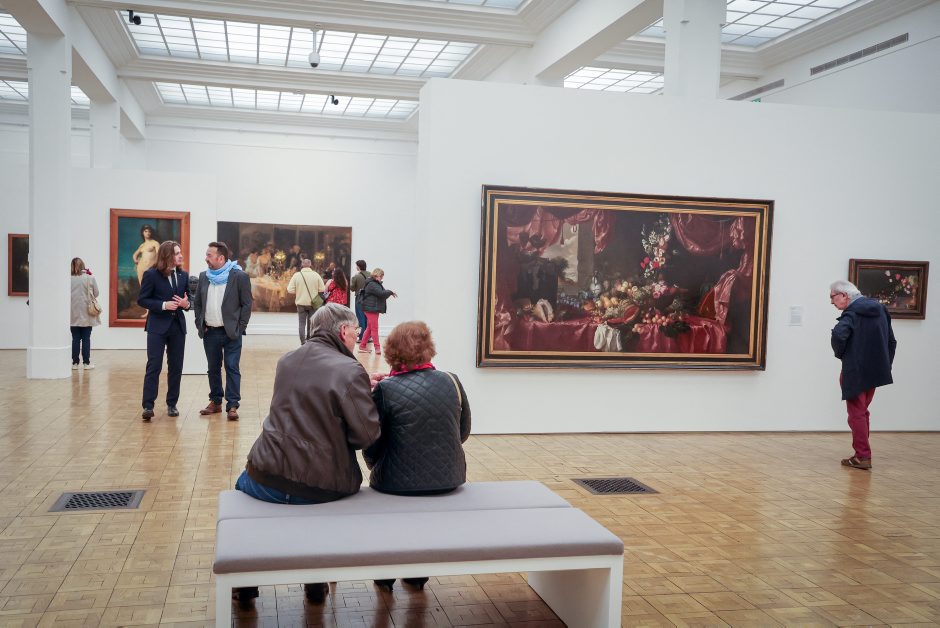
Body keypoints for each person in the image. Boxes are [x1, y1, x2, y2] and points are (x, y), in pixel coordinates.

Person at [233, 303, 381, 605]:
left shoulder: (287, 360)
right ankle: (315, 582)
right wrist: (361, 394)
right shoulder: (350, 369)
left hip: (264, 475)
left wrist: (355, 389)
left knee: (242, 491)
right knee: (314, 510)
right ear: (343, 331)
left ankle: (245, 585)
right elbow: (366, 436)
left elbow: (307, 397)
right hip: (321, 485)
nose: (358, 335)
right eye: (356, 330)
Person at [364, 321, 471, 592]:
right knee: (423, 520)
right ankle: (417, 574)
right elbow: (462, 431)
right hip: (448, 477)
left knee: (390, 520)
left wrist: (374, 465)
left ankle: (386, 575)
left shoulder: (385, 390)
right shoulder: (451, 381)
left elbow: (372, 441)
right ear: (428, 347)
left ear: (392, 351)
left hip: (395, 482)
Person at [830, 280, 897, 470]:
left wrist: (842, 355)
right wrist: (885, 364)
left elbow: (838, 335)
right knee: (862, 411)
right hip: (875, 370)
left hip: (855, 370)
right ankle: (862, 454)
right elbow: (891, 341)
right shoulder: (881, 309)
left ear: (844, 295)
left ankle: (862, 456)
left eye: (832, 297)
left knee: (856, 414)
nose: (832, 302)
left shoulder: (851, 313)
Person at [193, 241, 253, 421]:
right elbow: (198, 303)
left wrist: (240, 327)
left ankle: (232, 405)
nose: (206, 258)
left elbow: (247, 304)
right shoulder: (204, 276)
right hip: (210, 331)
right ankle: (216, 401)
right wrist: (200, 323)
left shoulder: (239, 276)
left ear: (220, 258)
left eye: (209, 255)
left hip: (231, 332)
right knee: (213, 368)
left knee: (232, 367)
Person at [138, 241, 190, 421]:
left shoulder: (183, 275)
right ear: (167, 255)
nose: (180, 256)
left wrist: (186, 304)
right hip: (157, 327)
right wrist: (163, 305)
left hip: (177, 327)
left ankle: (172, 404)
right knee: (154, 366)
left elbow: (189, 301)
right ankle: (148, 406)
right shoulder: (151, 274)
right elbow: (142, 300)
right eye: (177, 253)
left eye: (180, 252)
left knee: (176, 367)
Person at [69, 257, 100, 370]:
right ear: (83, 265)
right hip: (87, 313)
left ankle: (75, 363)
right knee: (86, 339)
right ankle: (86, 363)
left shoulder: (68, 279)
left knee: (75, 339)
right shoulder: (90, 278)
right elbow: (96, 293)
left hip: (72, 313)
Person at [359, 267, 397, 356]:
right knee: (374, 328)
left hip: (372, 308)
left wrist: (389, 293)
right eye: (381, 276)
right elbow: (381, 293)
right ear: (377, 275)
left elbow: (382, 294)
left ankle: (362, 346)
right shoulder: (372, 284)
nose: (382, 278)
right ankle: (377, 348)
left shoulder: (375, 283)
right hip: (371, 309)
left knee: (369, 328)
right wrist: (390, 292)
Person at [286, 258, 325, 344]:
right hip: (313, 303)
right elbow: (322, 289)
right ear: (310, 265)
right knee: (311, 323)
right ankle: (309, 339)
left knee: (301, 323)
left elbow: (289, 290)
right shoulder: (316, 275)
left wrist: (299, 291)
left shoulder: (296, 275)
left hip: (301, 303)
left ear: (302, 265)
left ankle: (303, 342)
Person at [349, 260, 370, 342]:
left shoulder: (356, 276)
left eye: (356, 266)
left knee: (360, 317)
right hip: (369, 298)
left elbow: (352, 288)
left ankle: (362, 337)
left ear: (359, 266)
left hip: (359, 298)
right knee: (367, 317)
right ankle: (368, 337)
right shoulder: (370, 275)